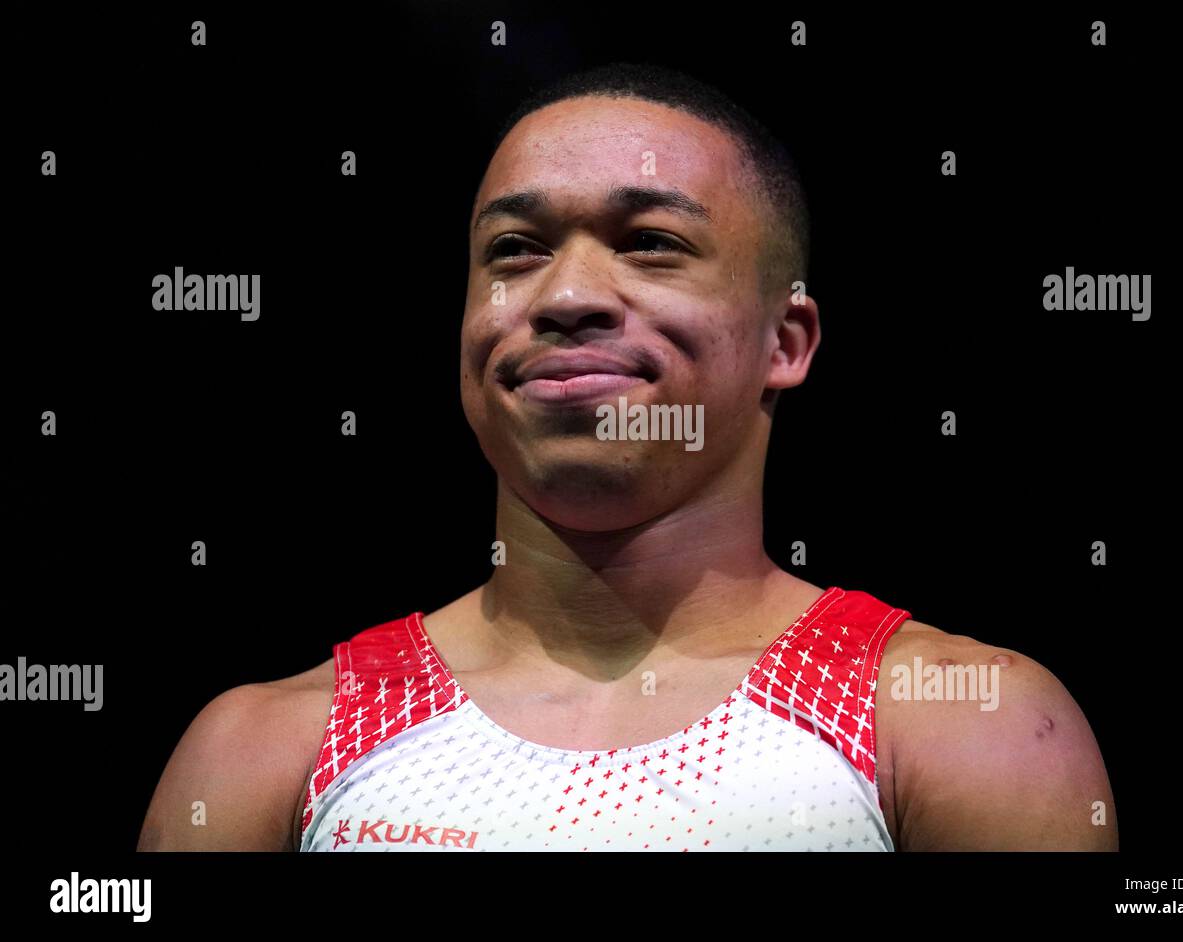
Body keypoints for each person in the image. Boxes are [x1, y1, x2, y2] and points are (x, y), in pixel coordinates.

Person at [138, 62, 1116, 852]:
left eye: (648, 243)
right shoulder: (268, 746)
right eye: (515, 248)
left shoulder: (959, 721)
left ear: (786, 340)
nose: (566, 297)